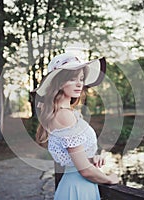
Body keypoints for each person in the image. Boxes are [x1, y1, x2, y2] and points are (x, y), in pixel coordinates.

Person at [33, 52, 119, 200]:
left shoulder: (64, 112)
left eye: (81, 79)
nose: (80, 84)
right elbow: (84, 171)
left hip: (79, 186)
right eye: (73, 79)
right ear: (59, 83)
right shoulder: (64, 115)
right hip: (78, 189)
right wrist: (110, 179)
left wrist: (91, 159)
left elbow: (74, 160)